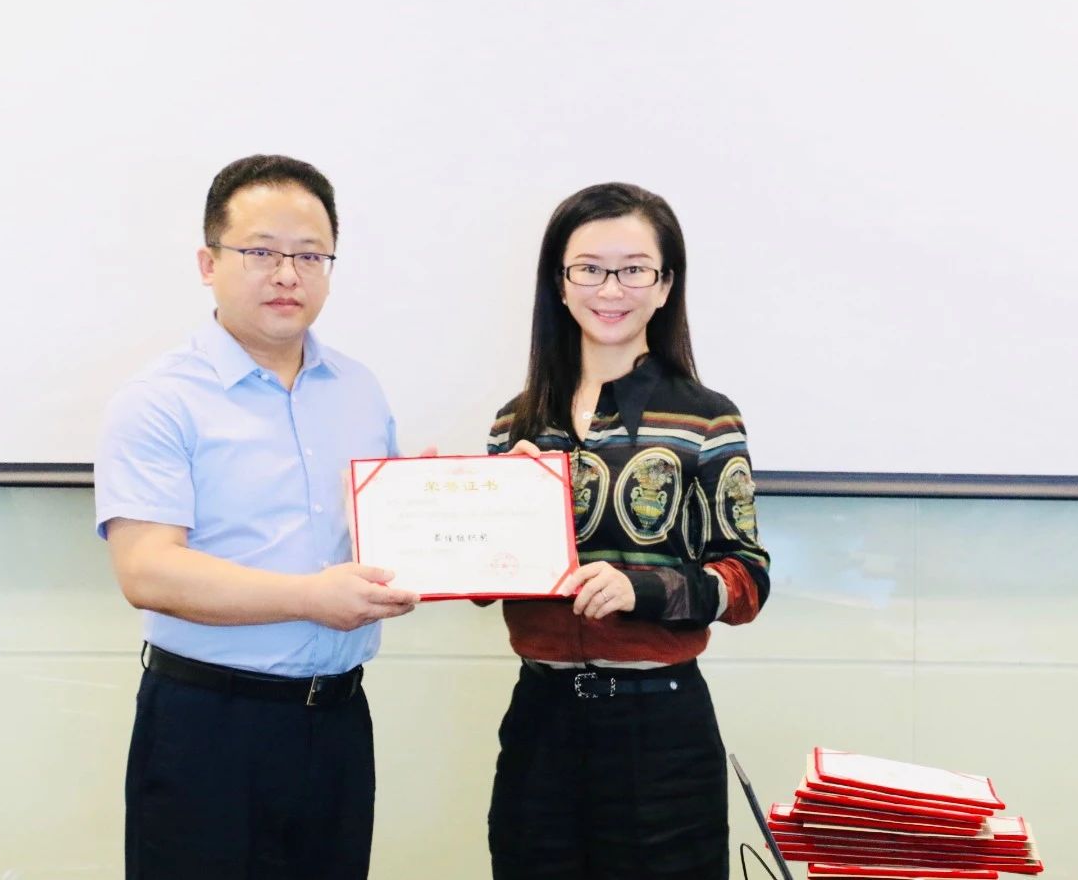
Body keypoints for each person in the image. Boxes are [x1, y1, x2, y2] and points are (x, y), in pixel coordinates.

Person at [95, 154, 418, 879]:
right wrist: (309, 598)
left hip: (337, 724)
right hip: (208, 726)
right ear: (208, 263)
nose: (287, 275)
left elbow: (382, 532)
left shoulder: (359, 390)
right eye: (262, 252)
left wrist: (442, 502)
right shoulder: (159, 400)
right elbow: (147, 571)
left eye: (310, 255)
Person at [484, 182, 771, 880]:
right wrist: (469, 513)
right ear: (559, 284)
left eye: (634, 269)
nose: (610, 289)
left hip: (661, 732)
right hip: (541, 720)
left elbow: (746, 582)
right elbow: (486, 580)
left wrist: (638, 589)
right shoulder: (515, 423)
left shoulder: (706, 419)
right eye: (588, 268)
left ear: (665, 285)